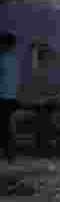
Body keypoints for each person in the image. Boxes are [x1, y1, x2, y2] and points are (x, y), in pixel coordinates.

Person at [0, 33, 19, 164]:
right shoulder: (14, 60)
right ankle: (10, 154)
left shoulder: (2, 58)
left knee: (4, 126)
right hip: (12, 98)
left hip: (3, 97)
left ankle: (9, 153)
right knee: (8, 126)